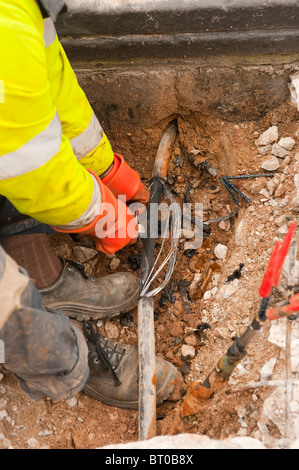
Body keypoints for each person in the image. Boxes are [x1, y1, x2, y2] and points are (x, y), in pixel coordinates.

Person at [0, 0, 179, 408]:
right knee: (11, 312)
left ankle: (47, 285)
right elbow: (33, 171)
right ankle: (72, 364)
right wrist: (101, 217)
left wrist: (108, 169)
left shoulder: (19, 10)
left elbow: (53, 97)